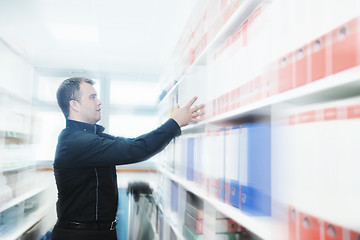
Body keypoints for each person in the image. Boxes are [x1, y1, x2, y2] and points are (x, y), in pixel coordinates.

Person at [52, 77, 204, 240]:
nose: (99, 102)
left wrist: (173, 126)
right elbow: (135, 150)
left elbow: (134, 144)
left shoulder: (93, 137)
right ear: (74, 105)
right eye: (92, 97)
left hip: (100, 232)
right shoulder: (75, 142)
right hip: (79, 235)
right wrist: (174, 123)